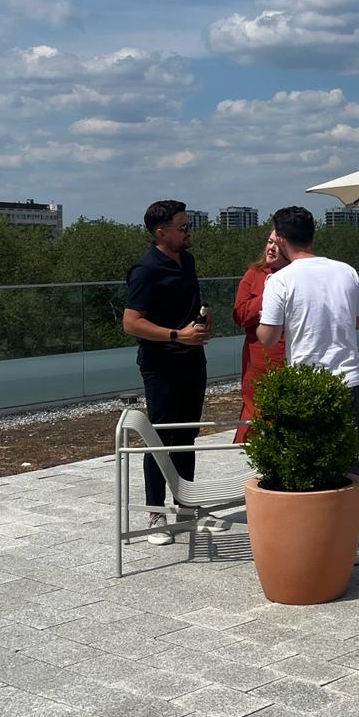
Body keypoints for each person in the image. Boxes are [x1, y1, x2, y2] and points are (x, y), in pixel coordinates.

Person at [257, 205, 359, 562]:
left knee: (307, 457)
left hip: (306, 382)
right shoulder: (346, 271)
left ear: (281, 238)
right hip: (347, 377)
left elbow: (268, 336)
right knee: (346, 459)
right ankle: (352, 541)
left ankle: (315, 539)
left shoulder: (280, 280)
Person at [123, 199, 212, 544]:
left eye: (189, 225)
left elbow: (189, 306)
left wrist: (203, 322)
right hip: (161, 366)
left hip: (193, 360)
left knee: (187, 435)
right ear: (162, 232)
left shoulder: (186, 260)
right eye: (183, 227)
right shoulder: (146, 269)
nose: (189, 232)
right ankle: (155, 512)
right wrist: (177, 335)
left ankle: (185, 504)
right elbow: (131, 322)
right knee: (160, 437)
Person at [231, 232, 288, 443]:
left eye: (279, 245)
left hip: (291, 356)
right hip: (259, 360)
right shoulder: (254, 274)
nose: (271, 248)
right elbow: (240, 315)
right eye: (269, 242)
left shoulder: (298, 274)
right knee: (257, 414)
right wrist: (267, 295)